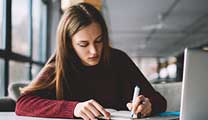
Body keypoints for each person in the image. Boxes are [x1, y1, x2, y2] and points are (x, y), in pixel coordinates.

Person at [15, 2, 167, 120]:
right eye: (84, 44)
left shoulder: (118, 59)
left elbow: (159, 100)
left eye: (99, 41)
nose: (94, 51)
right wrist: (74, 108)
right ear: (69, 44)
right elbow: (23, 104)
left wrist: (148, 105)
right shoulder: (58, 66)